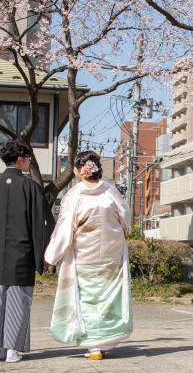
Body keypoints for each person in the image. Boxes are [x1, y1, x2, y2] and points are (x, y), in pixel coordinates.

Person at [0, 140, 54, 363]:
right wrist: (45, 252)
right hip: (22, 253)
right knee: (18, 301)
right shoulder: (31, 187)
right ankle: (12, 349)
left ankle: (1, 348)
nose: (29, 162)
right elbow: (43, 223)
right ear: (20, 159)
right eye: (28, 158)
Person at [44, 151, 133, 360]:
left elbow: (65, 228)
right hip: (111, 256)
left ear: (79, 170)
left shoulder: (75, 195)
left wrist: (51, 255)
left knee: (87, 301)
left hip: (84, 256)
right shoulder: (111, 192)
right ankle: (105, 343)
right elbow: (126, 219)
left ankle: (94, 348)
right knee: (108, 300)